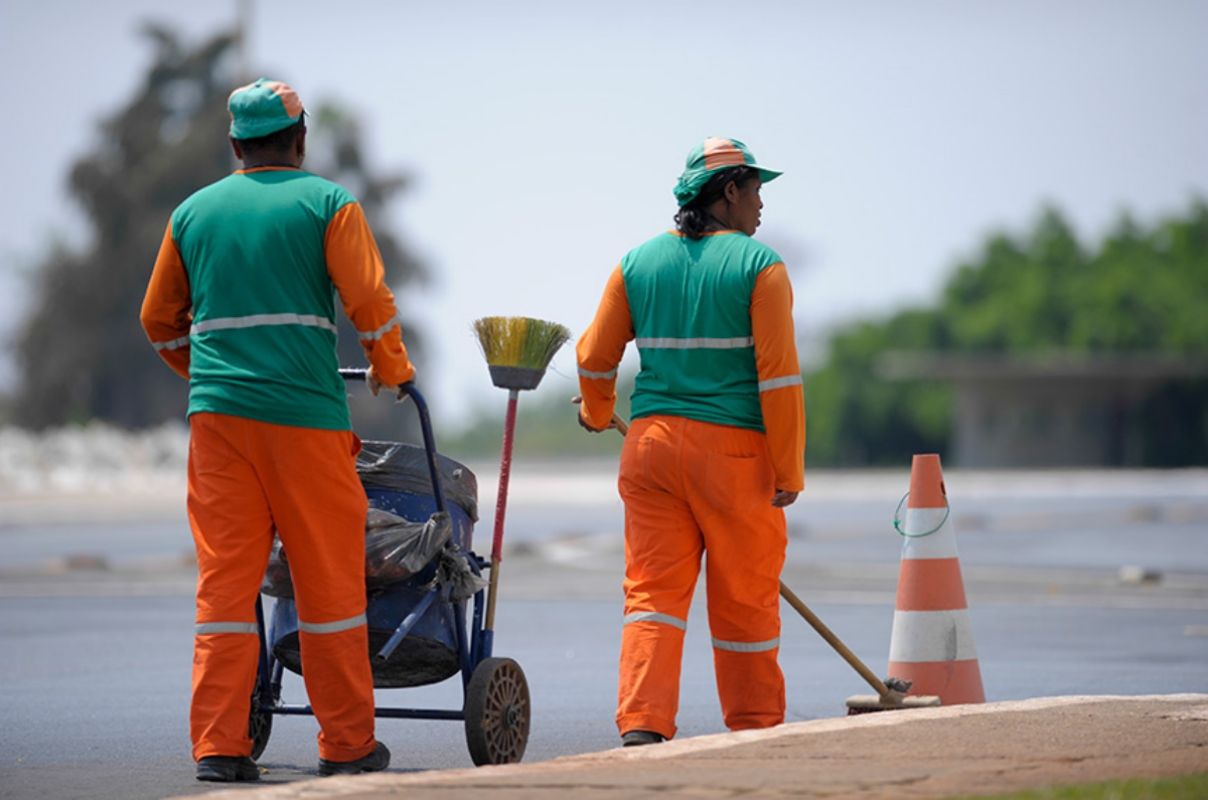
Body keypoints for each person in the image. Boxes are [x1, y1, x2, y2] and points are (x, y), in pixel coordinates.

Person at [140, 78, 415, 782]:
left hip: (220, 426)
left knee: (225, 590)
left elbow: (158, 322)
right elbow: (369, 303)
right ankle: (347, 744)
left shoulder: (192, 213)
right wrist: (393, 367)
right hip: (304, 422)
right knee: (326, 585)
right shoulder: (328, 204)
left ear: (235, 146)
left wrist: (208, 377)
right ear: (300, 138)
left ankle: (220, 746)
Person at [576, 137, 806, 746]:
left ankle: (643, 725)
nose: (761, 206)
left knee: (651, 599)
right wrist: (788, 473)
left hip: (651, 451)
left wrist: (599, 410)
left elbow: (595, 356)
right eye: (756, 190)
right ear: (728, 191)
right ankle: (754, 727)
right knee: (744, 602)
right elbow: (779, 379)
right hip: (734, 458)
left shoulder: (637, 263)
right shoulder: (761, 268)